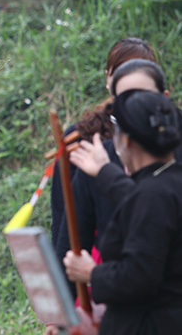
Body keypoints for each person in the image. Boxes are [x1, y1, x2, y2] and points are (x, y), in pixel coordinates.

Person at [63, 89, 182, 333]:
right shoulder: (167, 183)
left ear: (125, 141)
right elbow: (141, 203)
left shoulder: (153, 196)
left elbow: (140, 277)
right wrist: (105, 171)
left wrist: (92, 273)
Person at [49, 37, 156, 247]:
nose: (130, 84)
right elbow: (63, 211)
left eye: (139, 74)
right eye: (121, 73)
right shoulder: (80, 138)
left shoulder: (170, 134)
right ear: (108, 79)